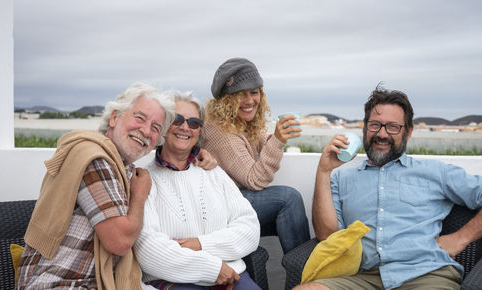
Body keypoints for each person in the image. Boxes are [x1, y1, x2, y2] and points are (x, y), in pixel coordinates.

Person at [297, 85, 482, 290]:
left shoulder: (436, 172)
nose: (382, 134)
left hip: (424, 275)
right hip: (360, 277)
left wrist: (461, 238)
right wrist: (323, 171)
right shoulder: (340, 178)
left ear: (408, 132)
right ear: (365, 128)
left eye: (393, 127)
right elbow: (327, 236)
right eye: (375, 125)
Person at [134, 91, 261, 289]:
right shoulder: (144, 178)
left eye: (194, 123)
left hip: (232, 276)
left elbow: (250, 229)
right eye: (177, 120)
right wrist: (212, 268)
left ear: (199, 131)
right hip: (176, 280)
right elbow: (148, 249)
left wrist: (200, 244)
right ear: (164, 125)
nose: (185, 127)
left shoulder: (213, 172)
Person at [202, 57, 310, 255]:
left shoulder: (241, 122)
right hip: (220, 210)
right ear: (227, 99)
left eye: (254, 92)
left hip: (232, 202)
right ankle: (304, 269)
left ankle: (300, 267)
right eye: (241, 95)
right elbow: (255, 180)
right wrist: (278, 141)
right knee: (288, 198)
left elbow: (262, 139)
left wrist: (274, 137)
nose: (250, 100)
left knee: (286, 212)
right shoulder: (221, 132)